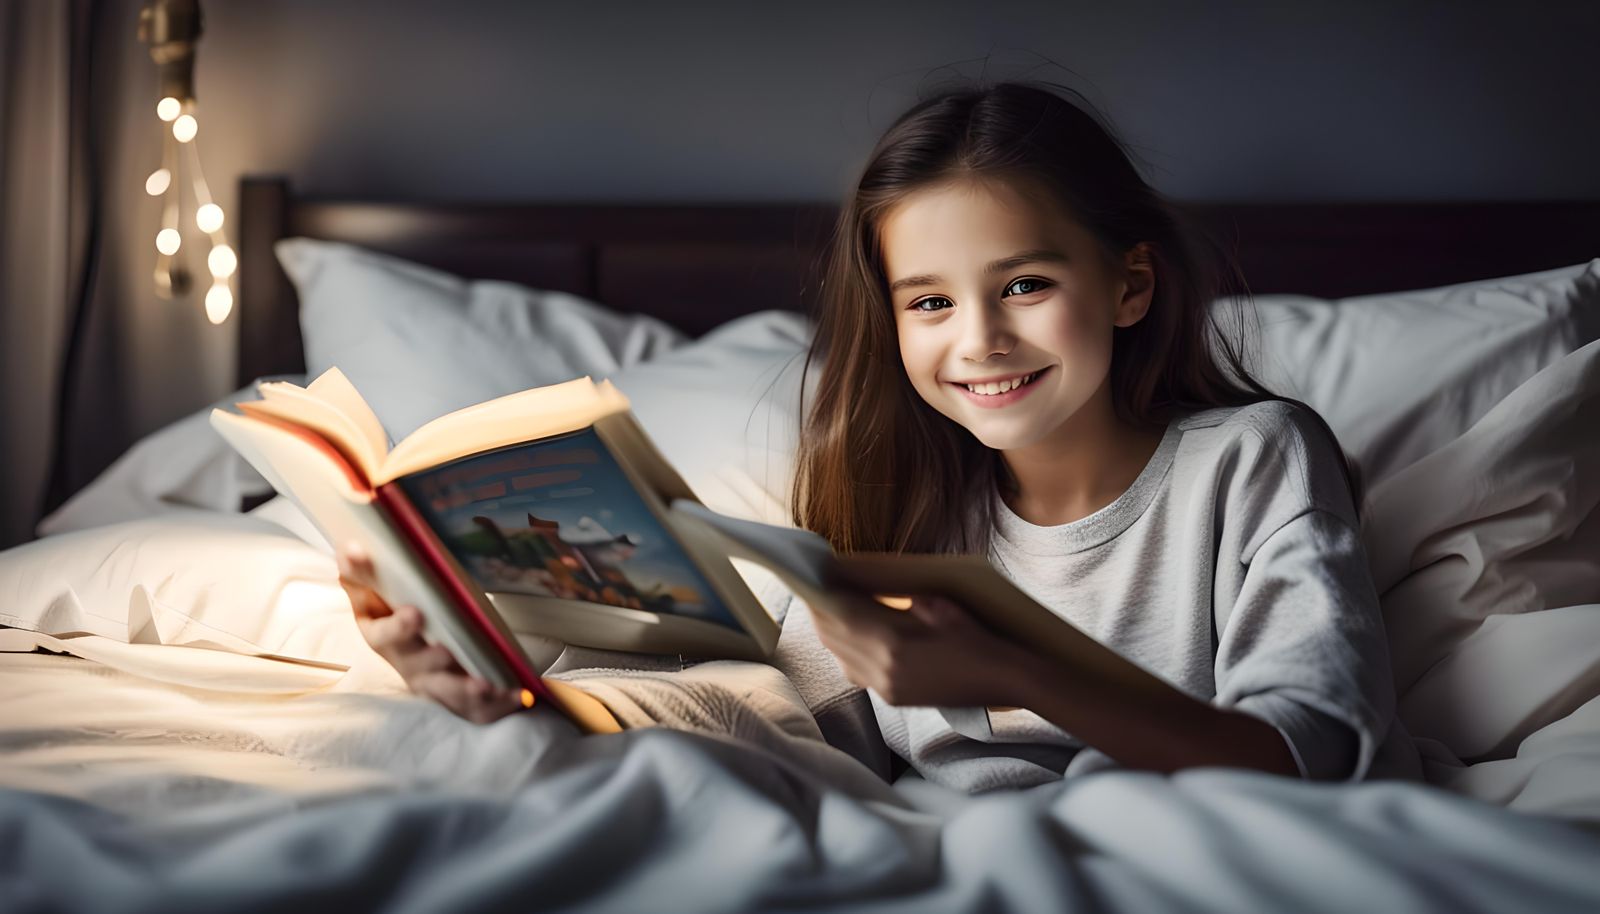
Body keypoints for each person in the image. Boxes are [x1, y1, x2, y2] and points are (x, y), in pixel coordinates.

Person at [338, 80, 1407, 790]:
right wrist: (530, 694)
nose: (981, 340)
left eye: (1026, 284)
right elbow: (786, 722)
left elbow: (1308, 751)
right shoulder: (910, 498)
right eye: (930, 302)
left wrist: (1013, 666)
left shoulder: (1252, 459)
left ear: (1129, 283)